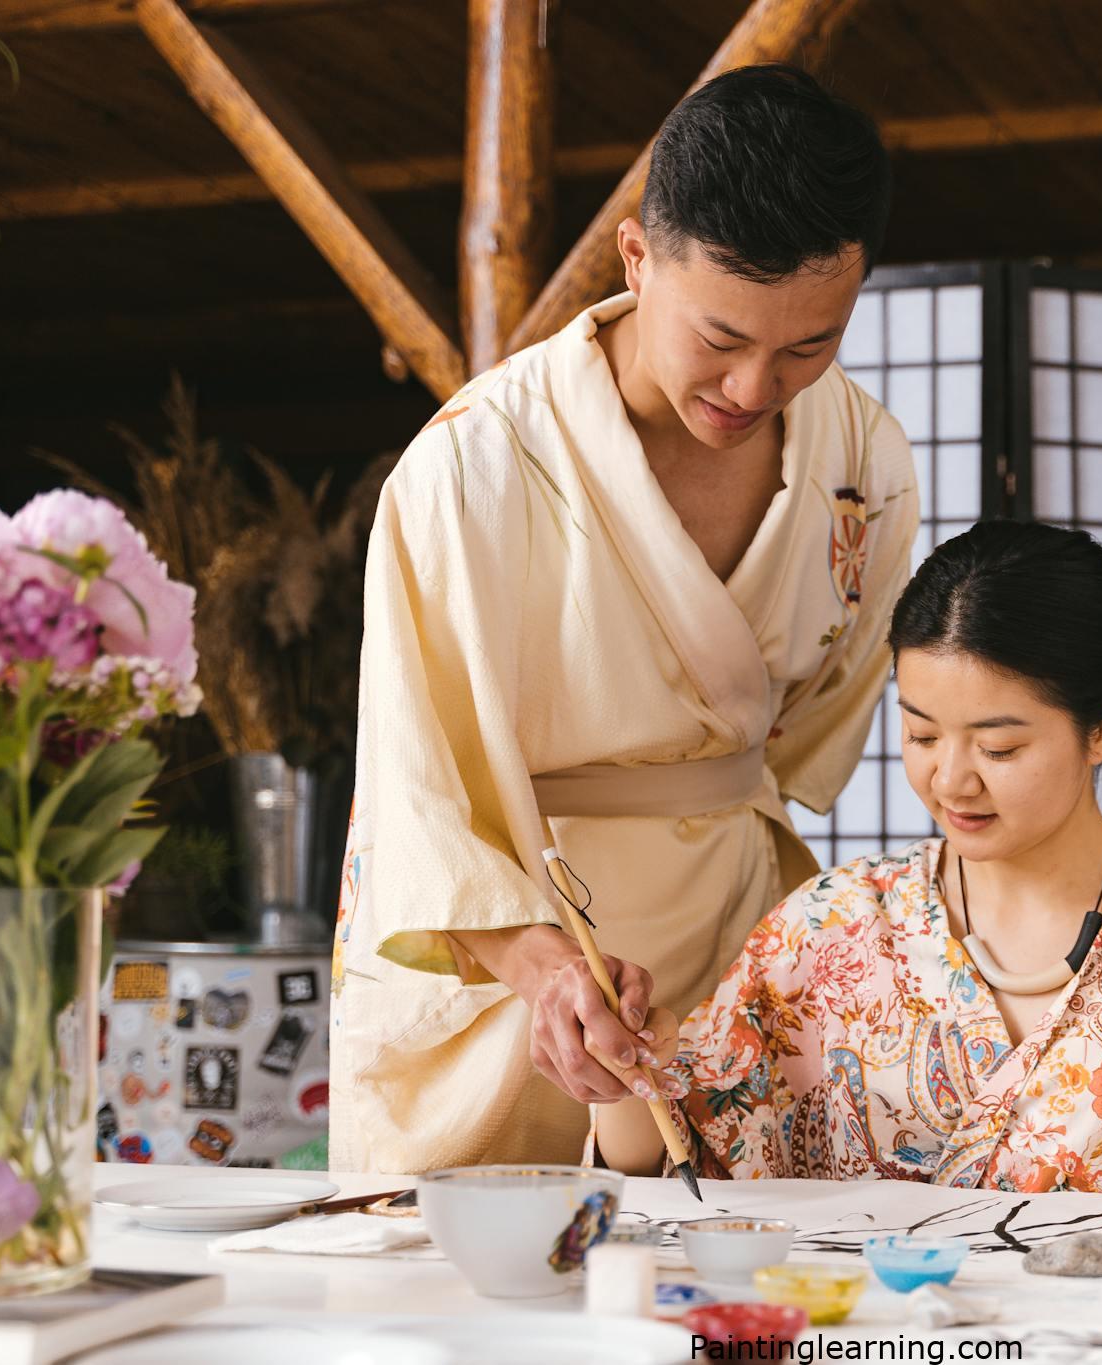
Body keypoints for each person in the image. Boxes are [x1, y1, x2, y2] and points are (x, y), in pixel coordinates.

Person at [330, 65, 917, 1173]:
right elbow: (413, 793)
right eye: (720, 338)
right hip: (504, 958)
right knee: (477, 1318)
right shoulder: (475, 466)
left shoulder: (864, 458)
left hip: (734, 946)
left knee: (734, 1319)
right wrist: (548, 970)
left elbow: (807, 733)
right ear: (636, 260)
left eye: (807, 346)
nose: (753, 389)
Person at [595, 522, 1102, 1227]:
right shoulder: (833, 926)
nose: (951, 780)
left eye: (999, 747)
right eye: (920, 734)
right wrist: (617, 1060)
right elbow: (670, 1158)